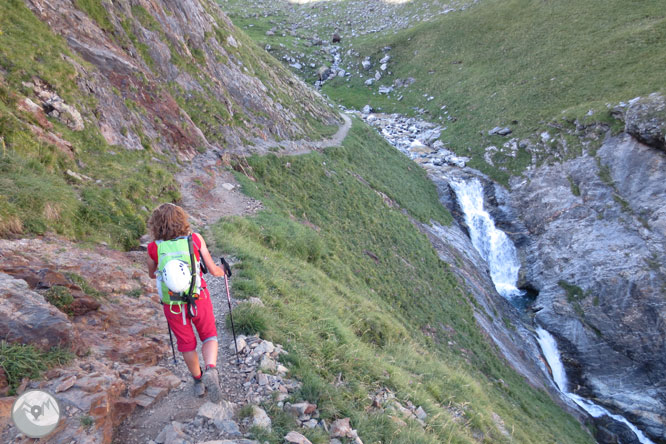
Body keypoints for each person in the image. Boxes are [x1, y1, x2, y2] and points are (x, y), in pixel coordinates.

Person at [146, 203, 226, 401]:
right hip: (199, 297)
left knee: (187, 344)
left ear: (156, 225)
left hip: (173, 305)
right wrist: (223, 270)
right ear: (182, 220)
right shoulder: (196, 240)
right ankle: (211, 370)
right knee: (208, 335)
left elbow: (151, 273)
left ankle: (198, 381)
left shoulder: (154, 248)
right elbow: (214, 270)